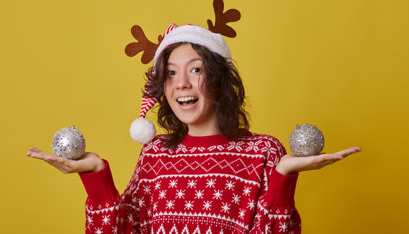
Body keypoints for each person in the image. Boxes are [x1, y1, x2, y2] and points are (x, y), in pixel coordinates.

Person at [27, 14, 361, 234]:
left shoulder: (263, 152)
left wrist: (284, 177)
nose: (182, 83)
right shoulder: (155, 155)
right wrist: (95, 173)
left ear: (218, 78)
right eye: (170, 73)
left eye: (196, 69)